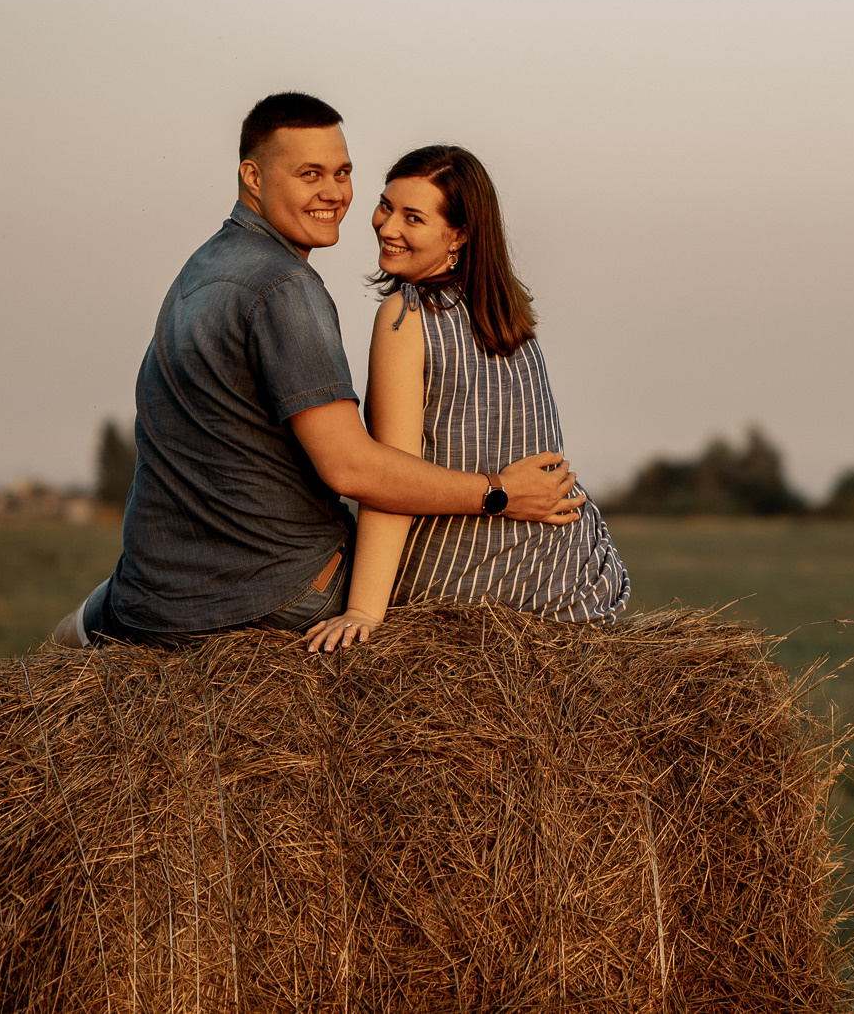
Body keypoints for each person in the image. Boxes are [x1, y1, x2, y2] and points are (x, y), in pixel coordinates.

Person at [54, 94, 585, 649]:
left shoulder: (205, 265)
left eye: (343, 173)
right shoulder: (287, 289)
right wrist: (498, 494)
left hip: (153, 594)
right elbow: (352, 469)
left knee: (74, 631)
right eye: (310, 174)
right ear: (252, 177)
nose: (334, 193)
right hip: (275, 592)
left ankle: (78, 635)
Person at [300, 144, 628, 653]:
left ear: (459, 234)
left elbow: (391, 477)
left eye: (413, 217)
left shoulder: (405, 317)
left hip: (467, 587)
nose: (387, 227)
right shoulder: (508, 318)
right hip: (569, 580)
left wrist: (364, 609)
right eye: (386, 206)